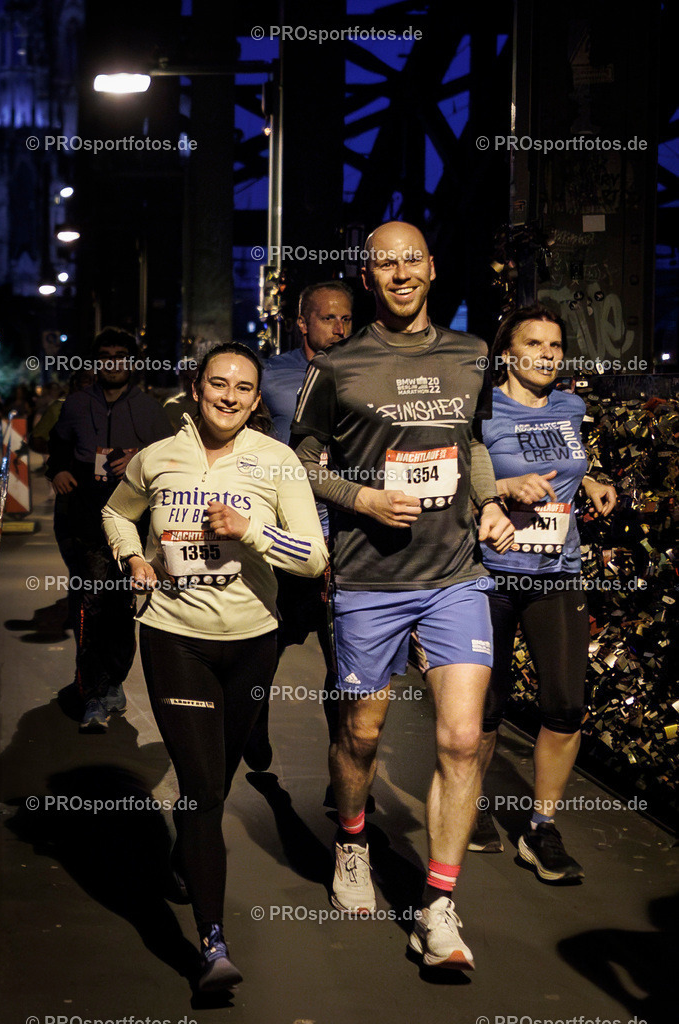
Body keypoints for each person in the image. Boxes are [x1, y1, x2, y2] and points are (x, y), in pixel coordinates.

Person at [291, 221, 514, 970]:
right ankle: (351, 841)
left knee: (459, 738)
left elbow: (475, 442)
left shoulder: (470, 353)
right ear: (367, 278)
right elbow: (304, 462)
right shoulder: (338, 365)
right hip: (369, 581)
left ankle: (438, 908)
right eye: (382, 263)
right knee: (359, 735)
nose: (398, 272)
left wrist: (486, 503)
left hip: (455, 575)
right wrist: (361, 501)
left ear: (430, 267)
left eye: (409, 258)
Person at [102, 342, 328, 993]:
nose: (229, 396)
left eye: (243, 388)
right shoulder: (158, 458)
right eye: (218, 384)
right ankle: (211, 945)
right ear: (196, 389)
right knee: (202, 789)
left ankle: (184, 852)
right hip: (175, 640)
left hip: (252, 643)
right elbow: (118, 512)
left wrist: (248, 530)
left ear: (256, 400)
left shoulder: (276, 460)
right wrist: (134, 559)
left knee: (215, 785)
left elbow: (312, 558)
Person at [470, 304, 616, 881]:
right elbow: (460, 480)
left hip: (558, 571)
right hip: (491, 573)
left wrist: (595, 481)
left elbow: (569, 464)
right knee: (485, 704)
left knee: (565, 705)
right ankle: (470, 800)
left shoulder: (570, 406)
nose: (548, 355)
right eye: (534, 343)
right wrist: (504, 487)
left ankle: (541, 827)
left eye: (556, 346)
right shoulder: (482, 410)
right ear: (508, 352)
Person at [243, 280, 354, 773]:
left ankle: (345, 769)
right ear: (303, 322)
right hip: (287, 536)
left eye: (347, 318)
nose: (340, 327)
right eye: (328, 318)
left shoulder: (364, 370)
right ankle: (255, 716)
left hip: (347, 537)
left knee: (347, 667)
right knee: (269, 646)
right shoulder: (271, 375)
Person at [46, 328, 173, 731]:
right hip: (85, 523)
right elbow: (58, 445)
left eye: (122, 355)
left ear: (133, 362)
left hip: (132, 529)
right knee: (89, 606)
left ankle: (112, 679)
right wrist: (60, 469)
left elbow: (170, 464)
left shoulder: (152, 410)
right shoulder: (77, 405)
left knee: (120, 611)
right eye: (106, 355)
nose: (114, 362)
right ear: (96, 361)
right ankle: (92, 694)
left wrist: (139, 458)